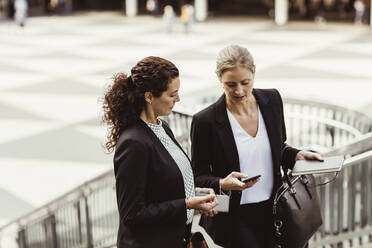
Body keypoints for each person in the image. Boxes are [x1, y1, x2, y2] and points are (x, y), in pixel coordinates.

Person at [190, 45, 323, 248]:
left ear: (253, 72)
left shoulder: (272, 100)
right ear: (219, 78)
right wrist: (223, 183)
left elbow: (279, 148)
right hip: (235, 218)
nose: (239, 91)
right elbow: (197, 175)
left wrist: (296, 155)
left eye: (245, 82)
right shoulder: (205, 121)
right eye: (230, 84)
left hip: (276, 208)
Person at [102, 56, 218, 248]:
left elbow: (161, 187)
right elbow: (132, 214)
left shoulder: (161, 126)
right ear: (149, 97)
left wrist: (197, 194)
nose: (178, 99)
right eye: (172, 94)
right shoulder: (133, 143)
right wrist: (188, 204)